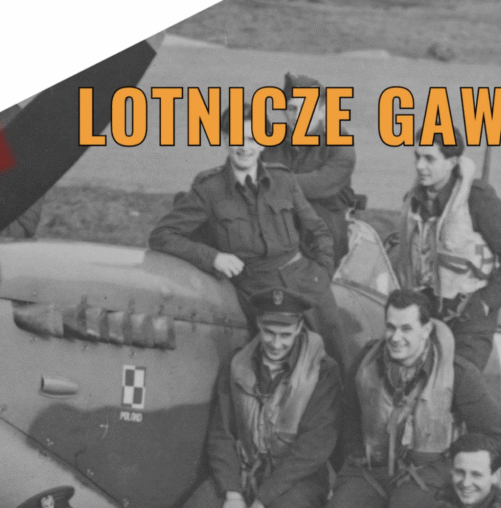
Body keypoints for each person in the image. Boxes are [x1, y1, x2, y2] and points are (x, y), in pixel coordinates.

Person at [149, 103, 354, 372]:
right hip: (258, 288)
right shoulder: (209, 189)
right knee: (278, 365)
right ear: (225, 139)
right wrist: (214, 257)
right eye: (237, 137)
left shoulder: (284, 180)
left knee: (337, 360)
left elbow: (318, 230)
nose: (245, 146)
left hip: (306, 279)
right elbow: (162, 235)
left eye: (251, 138)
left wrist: (323, 272)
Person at [324, 289, 501, 508]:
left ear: (426, 330)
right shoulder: (366, 363)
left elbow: (500, 435)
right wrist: (355, 453)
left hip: (428, 475)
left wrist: (461, 472)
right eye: (391, 327)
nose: (395, 338)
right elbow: (348, 413)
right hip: (371, 470)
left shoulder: (457, 373)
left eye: (406, 329)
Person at [174, 288, 342, 508]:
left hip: (296, 480)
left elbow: (314, 447)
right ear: (258, 324)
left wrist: (264, 498)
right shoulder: (237, 365)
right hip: (243, 474)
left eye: (285, 335)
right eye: (268, 332)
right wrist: (233, 492)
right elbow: (221, 434)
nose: (276, 343)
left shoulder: (322, 371)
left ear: (299, 328)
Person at [393, 126, 501, 370]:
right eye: (417, 157)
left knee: (463, 384)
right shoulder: (413, 202)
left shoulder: (477, 198)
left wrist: (485, 303)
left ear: (452, 162)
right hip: (426, 316)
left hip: (469, 321)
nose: (420, 166)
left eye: (429, 158)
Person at [262, 73, 357, 265]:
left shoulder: (340, 145)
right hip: (275, 212)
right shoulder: (270, 142)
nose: (298, 116)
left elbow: (319, 184)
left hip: (323, 219)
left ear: (322, 111)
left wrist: (269, 180)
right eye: (292, 108)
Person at [426, 434, 501, 508]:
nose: (466, 483)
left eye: (476, 475)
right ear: (451, 470)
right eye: (460, 472)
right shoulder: (436, 504)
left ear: (495, 475)